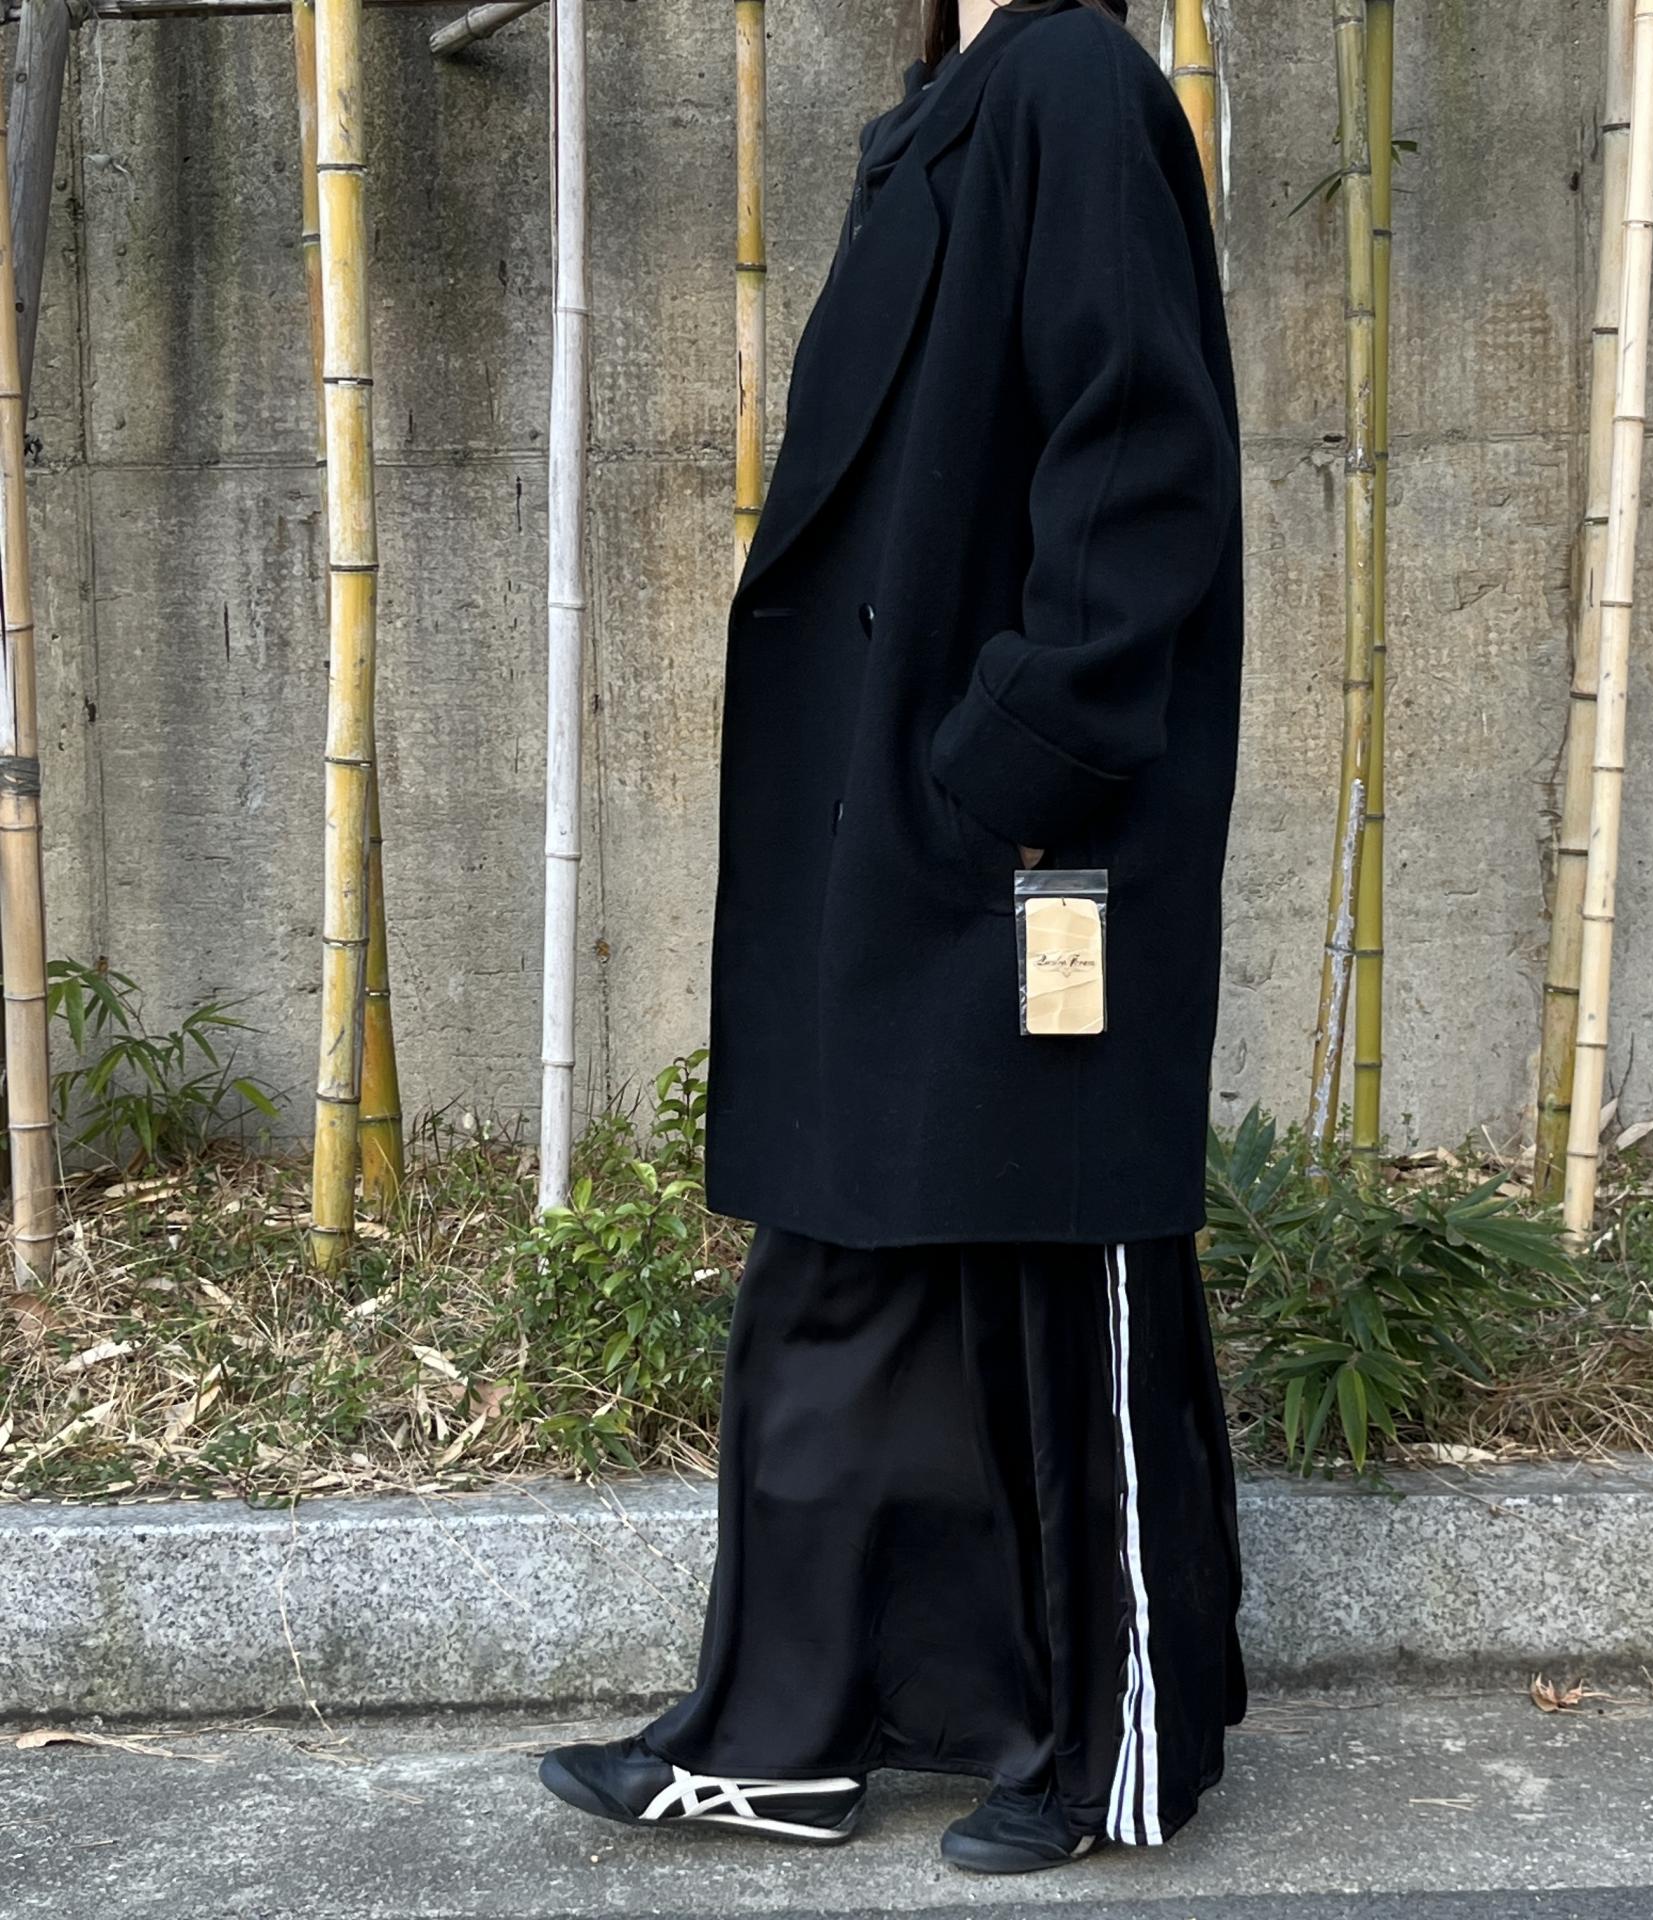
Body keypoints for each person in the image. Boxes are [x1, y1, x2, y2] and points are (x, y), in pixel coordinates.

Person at [539, 0, 1245, 1876]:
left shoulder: (1074, 80)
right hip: (904, 814)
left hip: (1025, 823)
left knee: (1061, 1259)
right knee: (847, 1249)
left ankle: (1115, 1748)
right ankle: (785, 1728)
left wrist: (1019, 756)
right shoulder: (952, 106)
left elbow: (1139, 451)